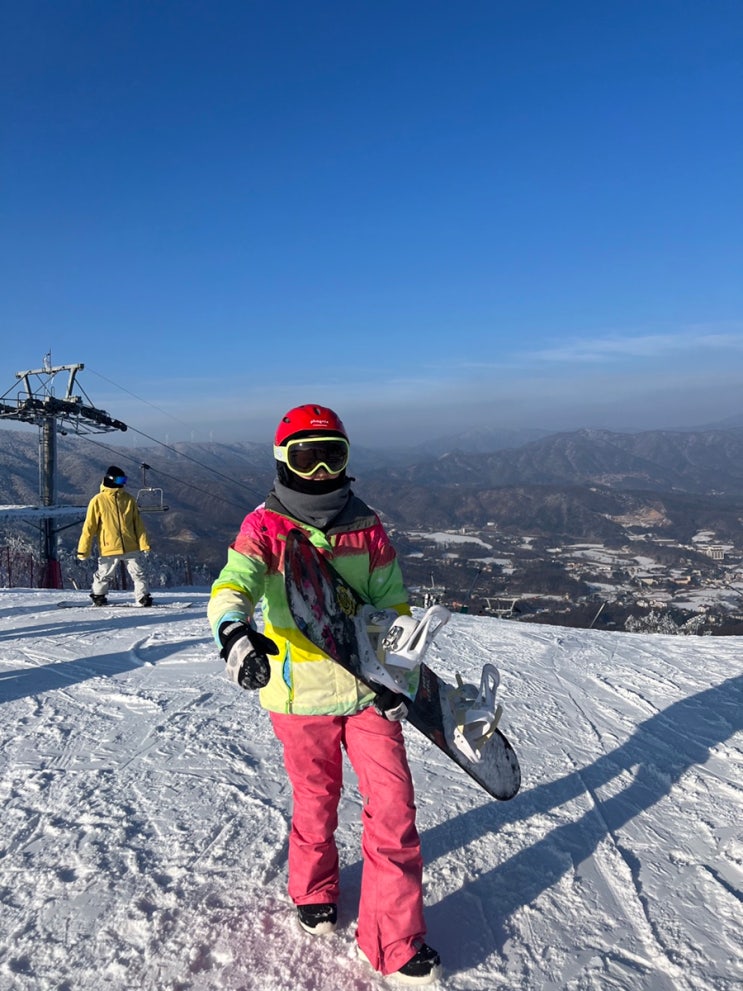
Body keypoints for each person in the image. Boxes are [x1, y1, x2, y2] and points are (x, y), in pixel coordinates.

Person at [208, 404, 441, 985]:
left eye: (331, 457)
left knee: (394, 805)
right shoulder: (265, 527)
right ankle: (313, 888)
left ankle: (392, 940)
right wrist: (233, 631)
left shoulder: (367, 526)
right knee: (317, 799)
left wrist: (399, 675)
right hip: (299, 696)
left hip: (367, 691)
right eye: (306, 458)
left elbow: (392, 606)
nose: (319, 472)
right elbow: (234, 583)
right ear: (282, 460)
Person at [76, 465, 153, 607]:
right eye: (120, 480)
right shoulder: (98, 500)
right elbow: (89, 527)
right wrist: (83, 550)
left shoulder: (128, 500)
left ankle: (143, 597)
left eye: (124, 480)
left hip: (131, 545)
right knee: (105, 573)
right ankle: (98, 595)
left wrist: (144, 544)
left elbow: (138, 525)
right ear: (111, 479)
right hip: (109, 546)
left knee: (138, 573)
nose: (123, 483)